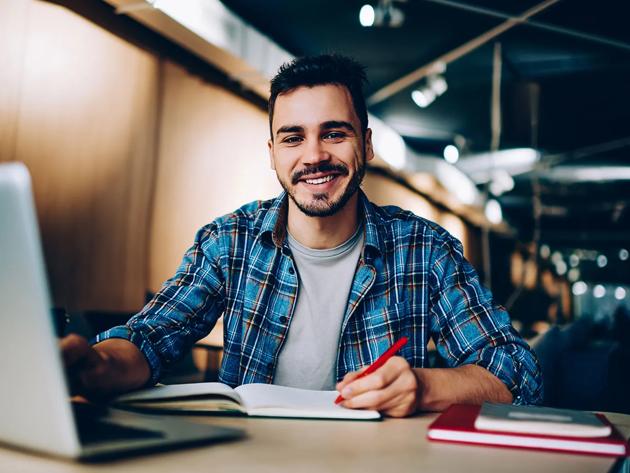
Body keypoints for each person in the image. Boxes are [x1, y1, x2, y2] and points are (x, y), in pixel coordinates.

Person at [61, 54, 542, 417]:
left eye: (334, 133)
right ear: (272, 153)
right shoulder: (230, 241)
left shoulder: (426, 250)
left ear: (366, 144)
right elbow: (150, 338)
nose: (314, 155)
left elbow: (518, 374)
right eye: (293, 138)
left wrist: (424, 386)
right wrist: (96, 366)